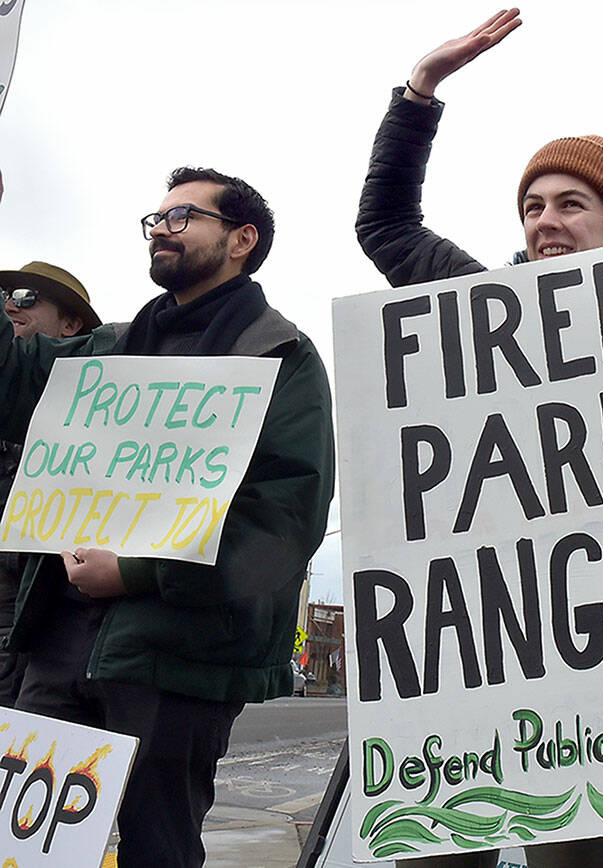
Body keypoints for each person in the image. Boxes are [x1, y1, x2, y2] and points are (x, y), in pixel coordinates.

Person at [356, 10, 603, 867]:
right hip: (476, 669)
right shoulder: (472, 306)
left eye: (573, 203)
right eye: (533, 205)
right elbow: (385, 225)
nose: (544, 221)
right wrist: (421, 90)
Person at [0, 167, 335, 868]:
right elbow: (9, 379)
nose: (160, 228)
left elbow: (283, 524)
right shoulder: (107, 350)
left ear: (242, 238)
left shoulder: (282, 358)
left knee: (159, 850)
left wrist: (136, 572)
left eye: (182, 216)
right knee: (23, 853)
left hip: (181, 662)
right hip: (60, 648)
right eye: (154, 218)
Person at [0, 261, 101, 706]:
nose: (10, 305)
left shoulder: (100, 413)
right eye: (7, 297)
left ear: (71, 325)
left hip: (34, 623)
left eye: (26, 298)